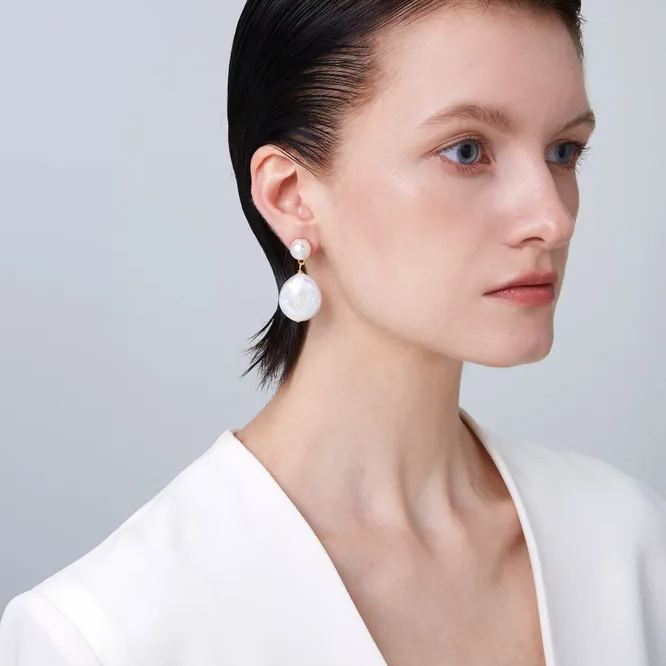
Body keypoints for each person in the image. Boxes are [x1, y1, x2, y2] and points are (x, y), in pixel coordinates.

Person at [1, 1, 665, 664]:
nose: (552, 218)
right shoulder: (104, 636)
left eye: (563, 151)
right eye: (467, 151)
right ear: (290, 195)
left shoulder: (628, 547)